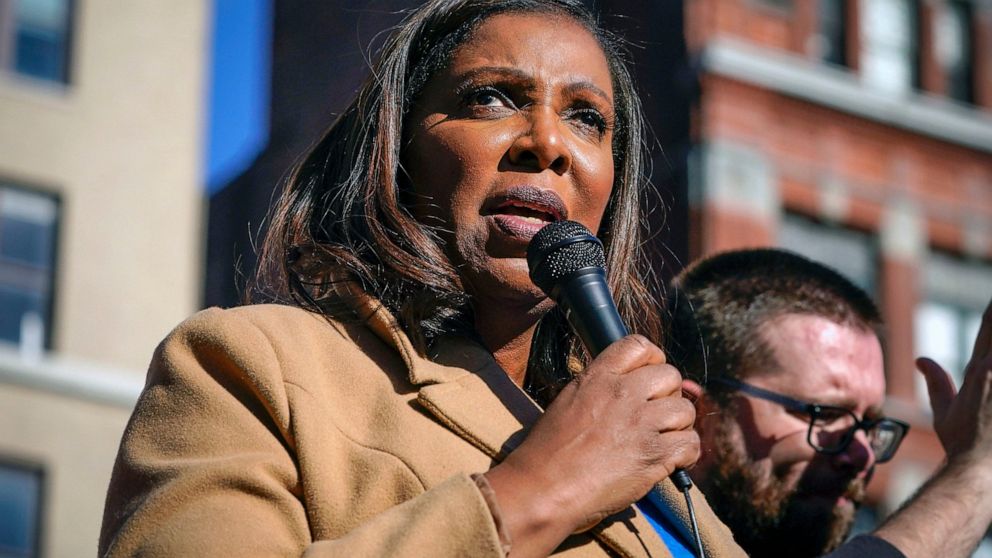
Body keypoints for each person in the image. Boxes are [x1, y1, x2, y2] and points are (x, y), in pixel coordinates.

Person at [99, 1, 745, 556]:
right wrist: (546, 488)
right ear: (396, 151)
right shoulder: (247, 365)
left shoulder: (650, 446)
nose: (547, 142)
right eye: (490, 98)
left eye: (586, 118)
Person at [664, 248, 992, 557]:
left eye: (870, 425)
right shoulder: (634, 531)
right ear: (695, 417)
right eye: (825, 414)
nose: (863, 455)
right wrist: (976, 472)